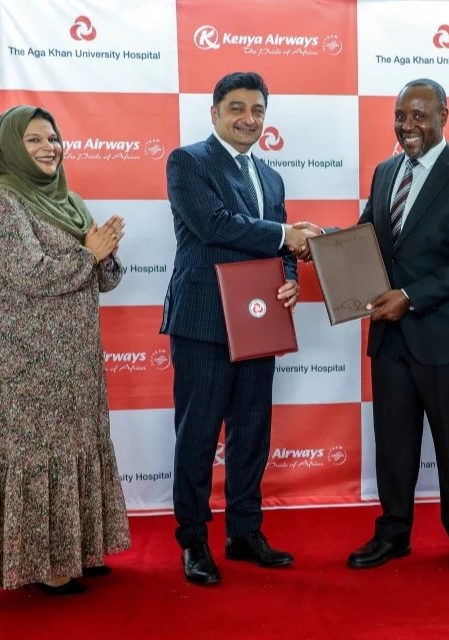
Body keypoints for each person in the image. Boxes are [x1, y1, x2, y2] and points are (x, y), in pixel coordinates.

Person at [301, 78, 449, 574]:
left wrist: (408, 297)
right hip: (390, 338)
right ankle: (393, 534)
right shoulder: (387, 171)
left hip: (444, 336)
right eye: (400, 116)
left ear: (444, 116)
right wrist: (321, 241)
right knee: (393, 443)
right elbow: (367, 235)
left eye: (419, 116)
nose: (407, 125)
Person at [0, 105, 131, 594]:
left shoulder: (69, 201)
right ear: (11, 145)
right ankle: (44, 563)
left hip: (74, 356)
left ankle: (79, 548)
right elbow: (30, 273)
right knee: (36, 452)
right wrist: (89, 253)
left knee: (76, 447)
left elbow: (105, 278)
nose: (47, 148)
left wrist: (105, 255)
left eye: (53, 138)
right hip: (23, 359)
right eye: (34, 140)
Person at [162, 71, 314, 586]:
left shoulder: (271, 177)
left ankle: (245, 532)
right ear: (215, 113)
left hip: (258, 322)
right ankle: (194, 540)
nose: (248, 119)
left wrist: (291, 278)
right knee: (198, 435)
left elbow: (284, 247)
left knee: (252, 434)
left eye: (257, 110)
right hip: (204, 323)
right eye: (237, 108)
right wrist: (285, 236)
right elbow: (215, 225)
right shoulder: (188, 162)